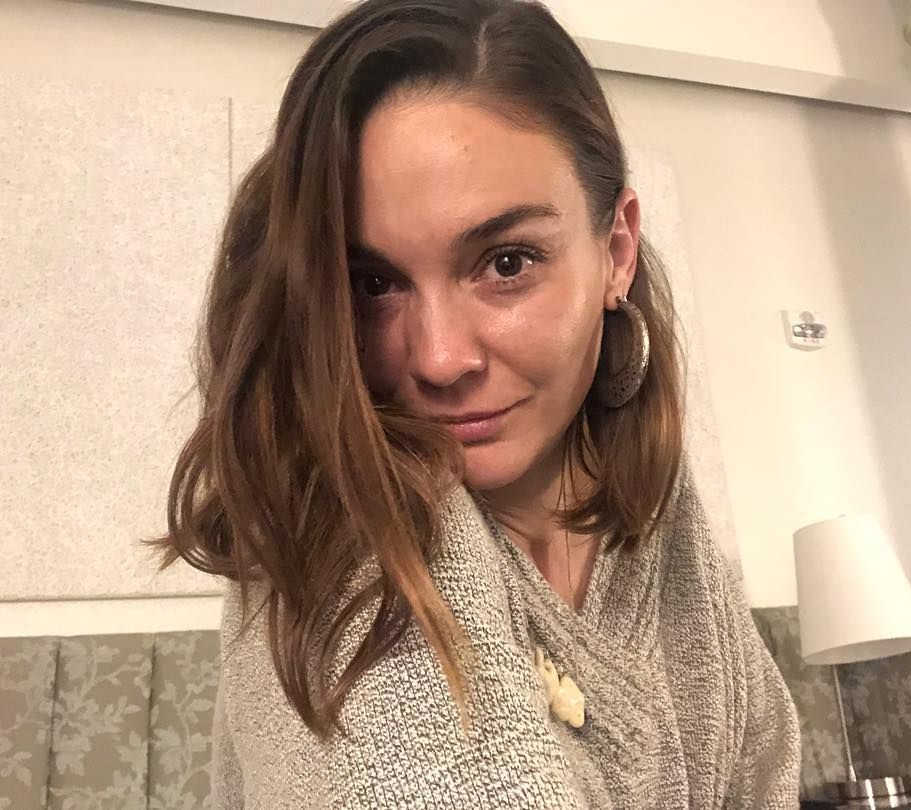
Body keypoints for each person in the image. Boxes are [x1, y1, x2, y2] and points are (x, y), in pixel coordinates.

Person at [150, 0, 801, 806]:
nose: (440, 358)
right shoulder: (327, 555)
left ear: (616, 252)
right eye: (373, 284)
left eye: (507, 263)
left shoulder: (664, 528)